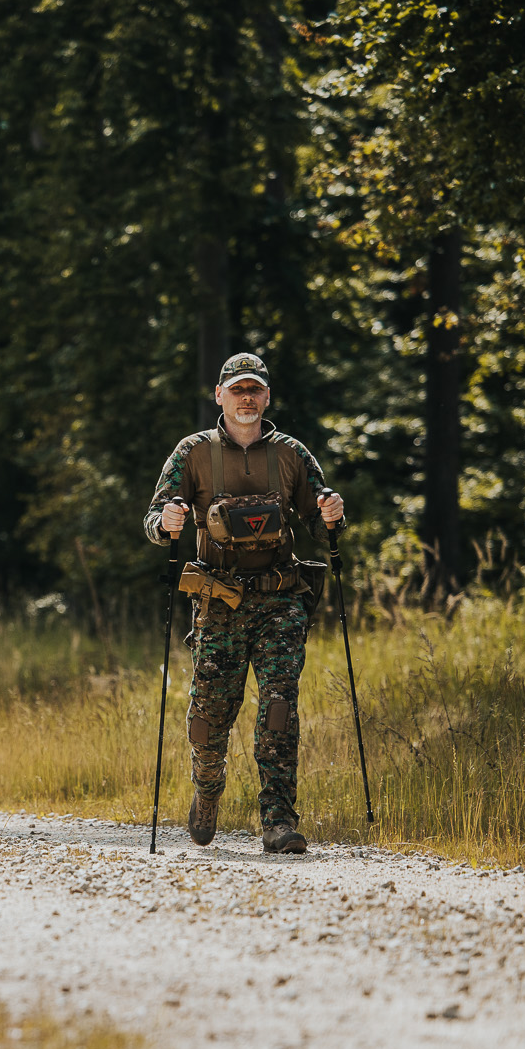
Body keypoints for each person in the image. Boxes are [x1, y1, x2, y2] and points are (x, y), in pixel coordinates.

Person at [143, 353, 344, 854]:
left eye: (255, 389)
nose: (247, 398)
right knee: (208, 719)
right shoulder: (192, 454)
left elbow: (321, 525)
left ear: (267, 397)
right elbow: (153, 520)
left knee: (279, 707)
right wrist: (166, 522)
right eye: (237, 390)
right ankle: (207, 793)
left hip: (281, 602)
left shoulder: (293, 455)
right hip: (218, 605)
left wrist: (333, 514)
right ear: (220, 396)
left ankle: (278, 821)